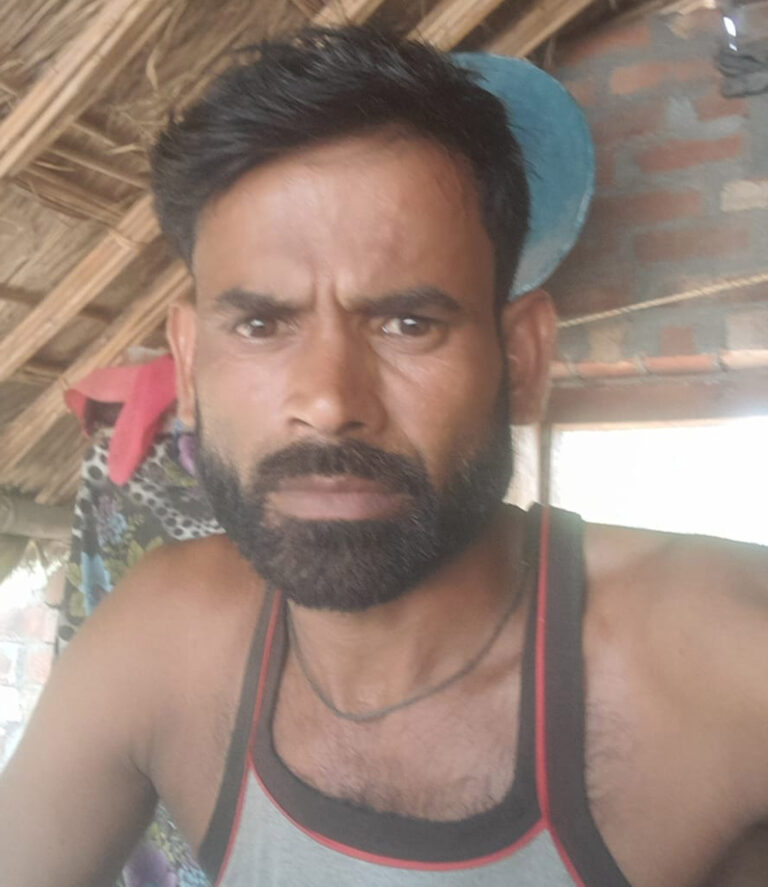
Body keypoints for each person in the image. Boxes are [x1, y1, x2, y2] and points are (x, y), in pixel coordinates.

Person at [1, 26, 767, 887]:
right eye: (261, 324)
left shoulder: (729, 661)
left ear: (522, 358)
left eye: (408, 323)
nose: (330, 401)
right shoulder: (159, 638)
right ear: (187, 363)